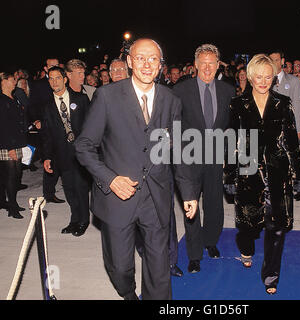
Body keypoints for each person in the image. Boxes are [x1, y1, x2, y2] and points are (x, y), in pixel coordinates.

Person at [74, 38, 198, 300]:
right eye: (140, 58)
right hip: (118, 197)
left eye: (153, 59)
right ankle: (128, 294)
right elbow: (84, 146)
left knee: (159, 266)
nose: (146, 64)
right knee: (119, 267)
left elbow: (176, 150)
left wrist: (188, 192)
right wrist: (110, 179)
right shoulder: (107, 96)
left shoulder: (171, 101)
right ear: (129, 61)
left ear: (161, 65)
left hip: (156, 197)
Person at [224, 54, 300, 294]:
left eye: (268, 77)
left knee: (277, 228)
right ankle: (246, 248)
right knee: (248, 227)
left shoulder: (283, 103)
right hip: (248, 172)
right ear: (249, 77)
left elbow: (291, 142)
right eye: (258, 77)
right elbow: (230, 142)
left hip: (278, 173)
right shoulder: (237, 104)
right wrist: (229, 175)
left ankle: (271, 275)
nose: (263, 81)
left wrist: (299, 174)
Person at [173, 44, 235, 273]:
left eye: (212, 63)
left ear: (218, 65)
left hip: (216, 155)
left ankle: (211, 242)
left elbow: (231, 126)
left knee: (214, 202)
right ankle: (194, 254)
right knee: (191, 205)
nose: (207, 67)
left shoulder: (228, 90)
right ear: (195, 65)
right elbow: (175, 124)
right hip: (189, 155)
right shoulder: (181, 90)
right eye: (203, 63)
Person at [41, 66, 90, 236]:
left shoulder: (81, 99)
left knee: (81, 187)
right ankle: (74, 220)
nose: (54, 81)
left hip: (81, 153)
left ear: (65, 79)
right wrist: (46, 157)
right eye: (51, 79)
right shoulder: (47, 107)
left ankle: (84, 220)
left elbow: (91, 125)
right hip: (61, 155)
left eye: (57, 78)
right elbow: (46, 135)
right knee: (69, 189)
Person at [29, 58, 66, 204]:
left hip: (62, 125)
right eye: (51, 66)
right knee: (49, 159)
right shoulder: (38, 85)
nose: (54, 68)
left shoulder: (62, 80)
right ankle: (49, 193)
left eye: (57, 65)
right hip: (46, 124)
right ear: (45, 68)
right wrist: (36, 120)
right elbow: (32, 104)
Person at [0, 72, 27, 219]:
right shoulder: (2, 100)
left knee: (16, 175)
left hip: (17, 141)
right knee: (11, 176)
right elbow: (3, 125)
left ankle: (12, 203)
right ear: (3, 82)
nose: (15, 82)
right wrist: (10, 148)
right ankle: (12, 207)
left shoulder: (14, 97)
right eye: (11, 80)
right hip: (6, 144)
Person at [269, 50, 300, 139]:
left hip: (286, 127)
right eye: (271, 60)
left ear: (282, 61)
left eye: (276, 60)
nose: (274, 63)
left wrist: (298, 130)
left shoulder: (293, 81)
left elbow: (296, 105)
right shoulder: (264, 81)